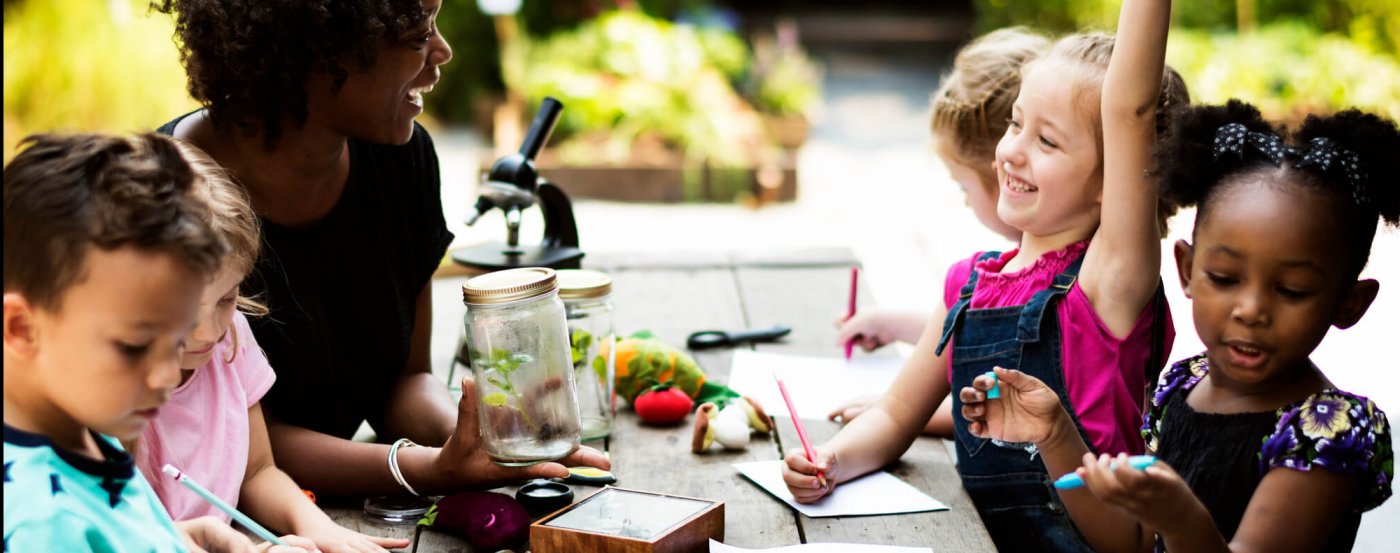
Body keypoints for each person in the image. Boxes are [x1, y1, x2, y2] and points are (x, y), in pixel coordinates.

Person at [152, 0, 607, 497]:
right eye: (416, 37)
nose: (442, 51)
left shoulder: (401, 159)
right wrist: (430, 469)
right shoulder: (169, 199)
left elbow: (403, 380)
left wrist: (490, 437)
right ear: (320, 50)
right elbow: (237, 440)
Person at [784, 0, 1185, 550]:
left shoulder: (1108, 283)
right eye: (1016, 124)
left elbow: (1129, 109)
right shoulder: (965, 286)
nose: (1013, 151)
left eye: (1047, 141)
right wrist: (833, 460)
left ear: (1112, 178)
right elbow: (899, 413)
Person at [959, 101, 1397, 552]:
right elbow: (1131, 541)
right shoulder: (1184, 385)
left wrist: (1181, 517)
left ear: (1350, 303)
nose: (1251, 309)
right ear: (1186, 269)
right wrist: (1055, 433)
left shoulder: (1329, 432)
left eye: (1292, 290)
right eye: (1225, 279)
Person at [3, 133, 307, 552]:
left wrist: (186, 539)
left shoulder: (86, 432)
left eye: (176, 335)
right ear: (22, 328)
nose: (167, 374)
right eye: (134, 346)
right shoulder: (43, 524)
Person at [130, 157, 410, 552]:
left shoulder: (230, 339)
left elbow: (257, 471)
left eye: (226, 298)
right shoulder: (105, 388)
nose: (208, 331)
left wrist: (315, 525)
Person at [831, 27, 1049, 436]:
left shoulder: (1070, 280)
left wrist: (904, 413)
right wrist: (894, 325)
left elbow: (1017, 407)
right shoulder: (1020, 264)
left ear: (1006, 174)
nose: (965, 200)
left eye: (963, 186)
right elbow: (981, 333)